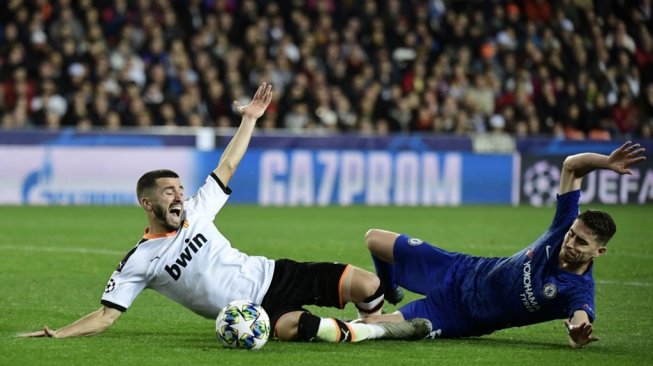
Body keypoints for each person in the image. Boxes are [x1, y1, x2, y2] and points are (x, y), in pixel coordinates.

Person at [21, 83, 431, 343]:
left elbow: (227, 165)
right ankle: (380, 334)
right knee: (304, 328)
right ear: (148, 204)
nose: (179, 195)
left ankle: (379, 324)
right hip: (253, 314)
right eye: (169, 192)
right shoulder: (139, 261)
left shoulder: (198, 210)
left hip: (276, 273)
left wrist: (249, 120)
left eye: (180, 187)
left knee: (369, 284)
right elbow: (107, 316)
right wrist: (61, 334)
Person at [362, 141, 646, 348]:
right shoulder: (563, 227)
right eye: (572, 233)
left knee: (371, 327)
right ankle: (388, 289)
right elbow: (571, 165)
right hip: (458, 268)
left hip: (457, 315)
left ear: (599, 252)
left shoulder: (579, 289)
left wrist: (576, 333)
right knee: (374, 239)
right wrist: (606, 162)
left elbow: (580, 318)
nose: (569, 242)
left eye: (581, 242)